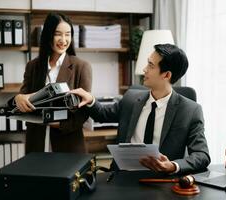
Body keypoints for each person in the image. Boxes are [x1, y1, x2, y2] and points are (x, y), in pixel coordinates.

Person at [71, 44, 210, 174]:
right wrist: (90, 99)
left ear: (167, 75)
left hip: (162, 180)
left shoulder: (190, 111)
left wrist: (173, 166)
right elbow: (103, 115)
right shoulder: (131, 98)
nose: (144, 69)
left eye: (150, 65)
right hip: (123, 177)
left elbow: (201, 155)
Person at [14, 12, 92, 153]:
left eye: (68, 34)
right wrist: (18, 98)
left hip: (68, 146)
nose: (63, 40)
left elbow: (83, 113)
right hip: (36, 145)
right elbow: (23, 100)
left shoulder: (81, 67)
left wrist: (51, 121)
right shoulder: (33, 66)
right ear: (48, 35)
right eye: (58, 34)